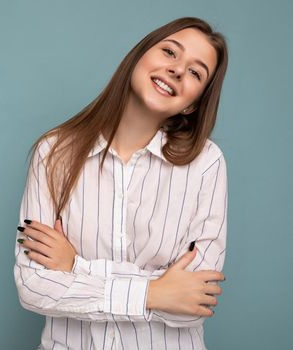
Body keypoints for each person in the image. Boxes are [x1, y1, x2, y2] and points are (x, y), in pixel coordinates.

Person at [13, 16, 229, 350]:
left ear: (193, 103)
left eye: (196, 72)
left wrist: (76, 267)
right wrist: (155, 292)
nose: (177, 70)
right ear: (138, 58)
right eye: (170, 52)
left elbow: (193, 305)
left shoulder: (206, 164)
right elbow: (34, 286)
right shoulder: (53, 152)